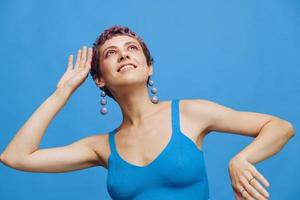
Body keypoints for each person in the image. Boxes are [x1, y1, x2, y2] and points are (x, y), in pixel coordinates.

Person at [0, 25, 295, 200]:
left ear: (148, 66)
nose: (124, 54)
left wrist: (241, 158)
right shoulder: (101, 147)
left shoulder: (191, 113)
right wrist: (61, 93)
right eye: (110, 53)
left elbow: (280, 126)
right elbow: (15, 156)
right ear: (99, 78)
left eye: (131, 48)